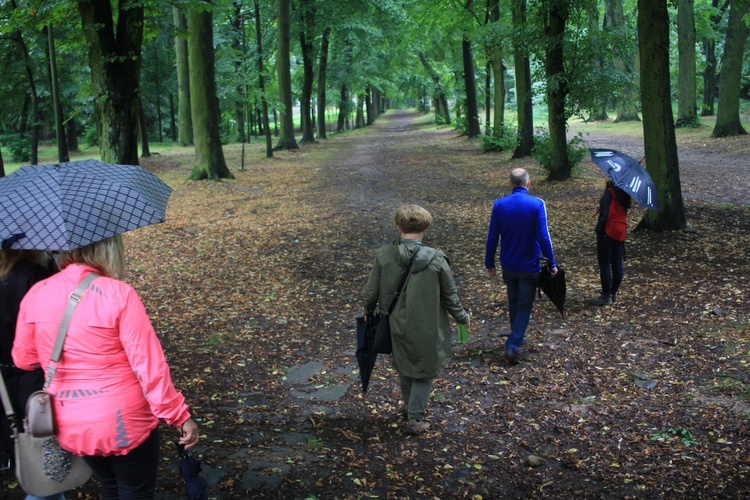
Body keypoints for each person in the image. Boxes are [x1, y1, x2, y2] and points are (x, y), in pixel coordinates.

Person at [12, 235, 199, 499]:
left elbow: (23, 359)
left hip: (70, 421)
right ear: (108, 248)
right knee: (136, 489)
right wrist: (178, 416)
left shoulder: (36, 294)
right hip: (125, 420)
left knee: (109, 485)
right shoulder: (118, 294)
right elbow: (148, 366)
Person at [364, 204, 470, 435]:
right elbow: (450, 296)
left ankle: (407, 407)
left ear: (399, 228)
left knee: (404, 363)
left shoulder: (383, 255)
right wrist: (462, 317)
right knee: (425, 370)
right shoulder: (437, 259)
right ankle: (416, 418)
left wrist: (368, 310)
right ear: (424, 229)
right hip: (429, 325)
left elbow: (370, 292)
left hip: (395, 323)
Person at [0, 237, 64, 500]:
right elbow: (58, 325)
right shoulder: (34, 276)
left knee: (21, 447)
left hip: (4, 381)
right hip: (34, 378)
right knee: (44, 453)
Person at [484, 168, 557, 366]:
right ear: (528, 183)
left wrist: (489, 262)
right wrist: (552, 262)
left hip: (508, 264)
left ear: (510, 184)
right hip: (529, 265)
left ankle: (516, 337)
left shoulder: (499, 205)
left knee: (514, 302)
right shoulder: (536, 204)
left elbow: (492, 237)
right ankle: (514, 344)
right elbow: (544, 236)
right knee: (524, 306)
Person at [590, 180, 632, 306]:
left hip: (607, 232)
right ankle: (613, 293)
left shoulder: (610, 192)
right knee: (617, 264)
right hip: (620, 233)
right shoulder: (625, 193)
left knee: (604, 265)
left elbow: (607, 215)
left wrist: (598, 230)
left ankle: (606, 295)